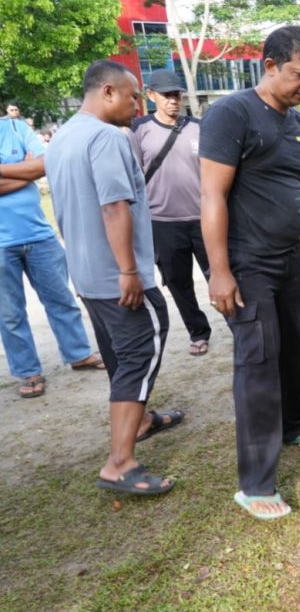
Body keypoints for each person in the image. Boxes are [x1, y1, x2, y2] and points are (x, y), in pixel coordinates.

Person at [199, 26, 300, 520]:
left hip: (288, 259)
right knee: (259, 364)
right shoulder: (231, 114)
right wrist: (220, 271)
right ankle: (255, 483)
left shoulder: (299, 125)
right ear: (268, 65)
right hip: (246, 263)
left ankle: (292, 425)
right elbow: (212, 196)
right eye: (298, 74)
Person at [46, 60, 184, 495]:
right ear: (107, 92)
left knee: (122, 356)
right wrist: (129, 270)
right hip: (115, 276)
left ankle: (141, 419)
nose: (136, 104)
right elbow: (114, 206)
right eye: (131, 96)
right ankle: (119, 462)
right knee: (141, 352)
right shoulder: (107, 137)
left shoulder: (64, 135)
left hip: (86, 275)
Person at [1, 95, 105, 399]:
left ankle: (78, 353)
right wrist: (22, 169)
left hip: (39, 235)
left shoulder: (15, 128)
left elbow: (44, 165)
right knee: (9, 314)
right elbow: (31, 169)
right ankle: (28, 371)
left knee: (62, 299)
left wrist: (6, 171)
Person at [129, 68, 212, 357]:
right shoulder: (138, 130)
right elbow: (134, 178)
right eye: (166, 96)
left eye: (176, 95)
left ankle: (239, 325)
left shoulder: (199, 127)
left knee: (219, 275)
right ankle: (198, 332)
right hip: (163, 223)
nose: (173, 101)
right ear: (151, 96)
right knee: (179, 283)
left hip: (203, 219)